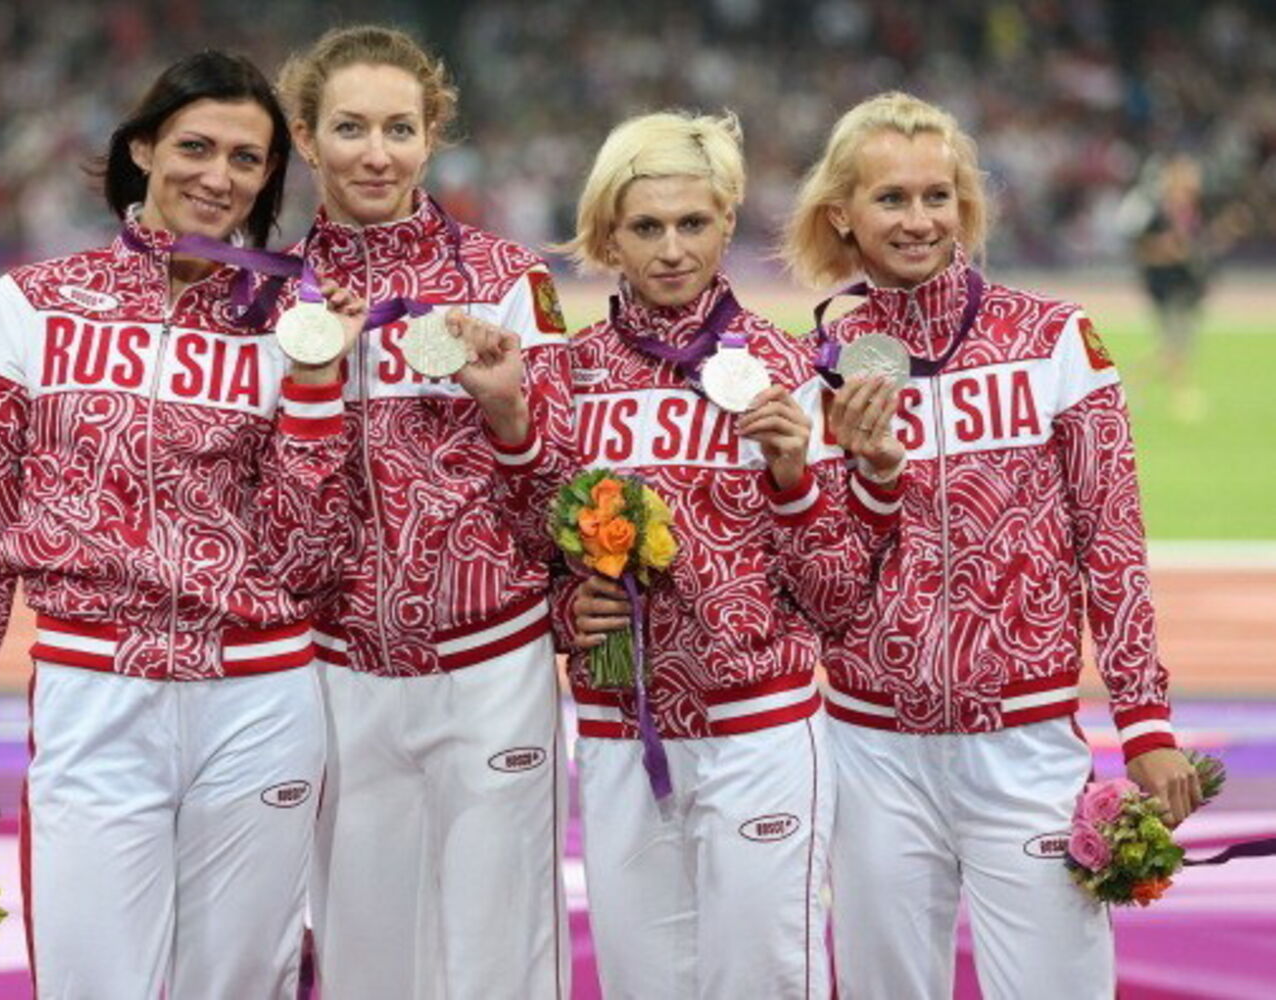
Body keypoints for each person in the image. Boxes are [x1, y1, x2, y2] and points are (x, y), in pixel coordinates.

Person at [0, 51, 365, 999]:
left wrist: (318, 387)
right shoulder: (33, 304)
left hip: (261, 702)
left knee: (241, 984)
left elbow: (312, 558)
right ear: (143, 149)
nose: (218, 176)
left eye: (247, 159)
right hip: (96, 692)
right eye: (196, 146)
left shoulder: (301, 318)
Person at [781, 91, 1202, 999]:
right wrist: (869, 479)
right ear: (842, 215)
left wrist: (1145, 723)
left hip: (1027, 744)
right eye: (891, 199)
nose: (919, 220)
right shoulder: (813, 367)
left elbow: (1111, 542)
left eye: (938, 196)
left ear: (965, 205)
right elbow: (819, 587)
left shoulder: (1053, 339)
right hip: (869, 749)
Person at [556, 110, 905, 999]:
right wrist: (569, 611)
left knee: (764, 982)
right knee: (643, 987)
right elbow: (532, 553)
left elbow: (838, 597)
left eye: (693, 222)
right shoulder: (567, 375)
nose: (673, 250)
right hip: (619, 727)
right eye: (646, 227)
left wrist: (793, 477)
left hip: (761, 729)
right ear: (609, 235)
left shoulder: (792, 370)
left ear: (727, 222)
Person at [275, 25, 575, 999]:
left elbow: (565, 498)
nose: (377, 153)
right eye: (350, 128)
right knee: (364, 963)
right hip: (337, 672)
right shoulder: (265, 296)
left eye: (399, 129)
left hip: (492, 666)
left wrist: (510, 413)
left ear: (432, 133)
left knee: (502, 961)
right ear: (306, 137)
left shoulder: (508, 280)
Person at [1119, 152, 1249, 422]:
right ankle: (1144, 385)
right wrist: (1172, 251)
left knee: (1179, 345)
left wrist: (1224, 231)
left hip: (1189, 286)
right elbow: (1144, 250)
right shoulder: (1157, 213)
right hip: (1166, 285)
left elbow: (1202, 245)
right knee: (1175, 344)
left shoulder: (1195, 211)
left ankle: (1170, 390)